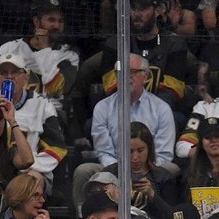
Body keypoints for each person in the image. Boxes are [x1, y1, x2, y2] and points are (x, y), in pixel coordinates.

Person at [74, 53, 177, 203]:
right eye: (121, 72)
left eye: (133, 72)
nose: (127, 77)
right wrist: (120, 172)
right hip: (113, 168)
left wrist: (144, 170)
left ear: (146, 76)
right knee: (83, 171)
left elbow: (164, 154)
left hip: (150, 167)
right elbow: (104, 151)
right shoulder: (102, 107)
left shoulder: (162, 108)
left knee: (171, 168)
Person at [0, 53, 68, 189]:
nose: (9, 77)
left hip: (30, 169)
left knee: (32, 179)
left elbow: (56, 148)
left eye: (15, 72)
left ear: (26, 77)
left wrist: (27, 166)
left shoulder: (43, 105)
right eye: (3, 73)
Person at [180, 116, 219, 214]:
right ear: (201, 143)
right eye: (208, 137)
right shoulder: (188, 170)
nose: (213, 140)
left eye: (218, 136)